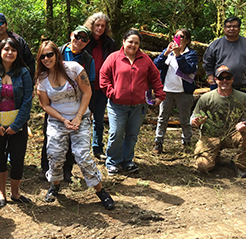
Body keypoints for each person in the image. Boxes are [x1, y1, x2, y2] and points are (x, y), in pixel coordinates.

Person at [36, 41, 114, 210]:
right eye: (42, 56)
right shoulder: (42, 78)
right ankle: (55, 185)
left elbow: (87, 92)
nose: (46, 58)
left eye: (50, 54)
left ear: (57, 54)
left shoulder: (74, 69)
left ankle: (101, 191)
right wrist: (63, 120)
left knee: (82, 155)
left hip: (81, 117)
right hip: (58, 120)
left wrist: (78, 117)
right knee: (55, 155)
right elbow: (45, 105)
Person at [100, 29, 165, 176]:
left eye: (136, 43)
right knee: (116, 133)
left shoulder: (145, 59)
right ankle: (112, 162)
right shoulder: (114, 57)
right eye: (130, 41)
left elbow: (155, 77)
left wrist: (160, 95)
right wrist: (112, 93)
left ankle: (127, 161)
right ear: (123, 42)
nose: (133, 45)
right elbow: (104, 76)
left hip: (139, 105)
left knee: (132, 134)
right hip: (117, 105)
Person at [0, 38, 33, 208]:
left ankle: (15, 193)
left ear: (18, 53)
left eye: (14, 50)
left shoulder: (23, 72)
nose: (10, 53)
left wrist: (16, 126)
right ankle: (1, 193)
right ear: (0, 52)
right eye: (6, 49)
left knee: (17, 159)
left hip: (17, 125)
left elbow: (27, 101)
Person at [203, 16, 246, 155]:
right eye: (229, 26)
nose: (231, 29)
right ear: (224, 28)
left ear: (239, 28)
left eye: (235, 26)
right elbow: (208, 63)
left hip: (244, 85)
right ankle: (215, 144)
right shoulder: (216, 44)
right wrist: (211, 81)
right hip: (221, 85)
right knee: (216, 115)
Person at [39, 25, 95, 182]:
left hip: (77, 107)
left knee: (74, 144)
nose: (79, 40)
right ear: (72, 35)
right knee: (51, 141)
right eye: (77, 36)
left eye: (84, 39)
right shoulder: (59, 51)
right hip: (55, 106)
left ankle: (67, 172)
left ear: (87, 42)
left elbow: (89, 87)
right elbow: (44, 102)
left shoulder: (87, 59)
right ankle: (47, 170)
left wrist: (84, 113)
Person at [191, 65, 246, 178]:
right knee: (202, 167)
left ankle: (238, 163)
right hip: (210, 136)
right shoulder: (206, 98)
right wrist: (195, 123)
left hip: (232, 135)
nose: (224, 81)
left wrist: (244, 126)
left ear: (232, 79)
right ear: (216, 80)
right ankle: (214, 157)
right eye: (221, 78)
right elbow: (193, 118)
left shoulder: (243, 98)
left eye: (228, 77)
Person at [153, 28, 198, 154]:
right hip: (166, 91)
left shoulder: (191, 54)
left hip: (183, 92)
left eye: (181, 36)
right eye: (176, 36)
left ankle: (187, 143)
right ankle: (158, 143)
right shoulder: (169, 52)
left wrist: (178, 55)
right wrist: (166, 53)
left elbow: (188, 69)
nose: (178, 38)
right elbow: (156, 65)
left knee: (185, 119)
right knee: (162, 118)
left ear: (187, 40)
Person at [84, 12, 117, 159]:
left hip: (102, 86)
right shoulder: (84, 41)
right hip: (85, 86)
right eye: (97, 25)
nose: (100, 28)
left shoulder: (109, 43)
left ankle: (97, 148)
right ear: (91, 25)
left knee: (98, 119)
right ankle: (81, 149)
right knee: (83, 117)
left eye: (103, 26)